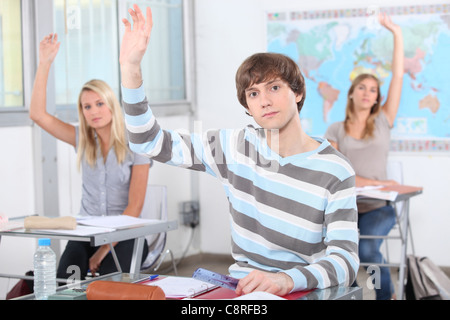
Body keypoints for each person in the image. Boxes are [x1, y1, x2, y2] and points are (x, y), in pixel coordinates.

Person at [120, 5, 359, 296]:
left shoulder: (335, 169)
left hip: (303, 290)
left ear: (297, 93)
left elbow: (346, 261)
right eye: (253, 94)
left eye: (274, 88)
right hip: (243, 290)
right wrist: (131, 69)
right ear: (247, 106)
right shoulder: (233, 148)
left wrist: (285, 280)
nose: (265, 101)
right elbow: (147, 141)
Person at [29, 33, 151, 280]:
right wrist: (44, 64)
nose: (94, 111)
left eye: (99, 103)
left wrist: (103, 251)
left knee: (107, 286)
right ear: (82, 111)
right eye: (87, 107)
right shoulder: (81, 140)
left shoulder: (136, 142)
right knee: (65, 283)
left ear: (111, 105)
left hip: (124, 236)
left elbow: (134, 208)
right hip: (86, 235)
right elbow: (38, 115)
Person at [324, 13, 404, 300]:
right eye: (362, 88)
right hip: (344, 208)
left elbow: (398, 76)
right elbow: (332, 172)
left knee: (368, 250)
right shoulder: (336, 128)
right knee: (337, 255)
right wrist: (371, 180)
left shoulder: (383, 120)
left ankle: (387, 296)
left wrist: (395, 32)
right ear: (351, 94)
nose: (368, 93)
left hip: (378, 207)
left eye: (373, 90)